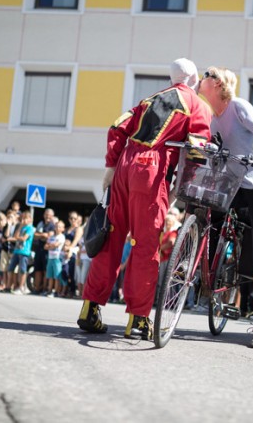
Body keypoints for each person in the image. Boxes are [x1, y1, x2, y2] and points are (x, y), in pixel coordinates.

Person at [77, 58, 211, 340]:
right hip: (152, 171)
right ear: (193, 78)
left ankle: (90, 309)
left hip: (125, 165)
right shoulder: (196, 104)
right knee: (145, 245)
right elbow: (198, 150)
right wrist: (179, 188)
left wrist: (111, 167)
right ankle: (138, 320)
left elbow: (117, 127)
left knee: (110, 238)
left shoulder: (150, 99)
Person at [197, 65, 253, 349]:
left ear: (218, 84)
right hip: (234, 186)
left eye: (207, 74)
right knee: (205, 213)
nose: (201, 78)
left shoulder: (238, 107)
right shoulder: (212, 118)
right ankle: (206, 273)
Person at [9, 211, 34, 295]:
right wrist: (20, 226)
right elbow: (15, 236)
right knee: (10, 268)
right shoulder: (22, 228)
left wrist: (18, 237)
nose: (24, 220)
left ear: (30, 219)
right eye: (23, 218)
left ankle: (21, 287)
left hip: (24, 252)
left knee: (22, 270)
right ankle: (12, 285)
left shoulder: (30, 228)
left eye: (26, 218)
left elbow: (24, 238)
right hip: (17, 251)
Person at [44, 220, 65, 298]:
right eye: (56, 226)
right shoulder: (52, 236)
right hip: (50, 258)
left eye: (59, 227)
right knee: (50, 276)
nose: (57, 228)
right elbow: (45, 246)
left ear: (63, 229)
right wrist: (51, 246)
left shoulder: (61, 237)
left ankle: (56, 291)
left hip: (57, 258)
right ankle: (49, 290)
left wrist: (50, 245)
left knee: (57, 276)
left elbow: (55, 245)